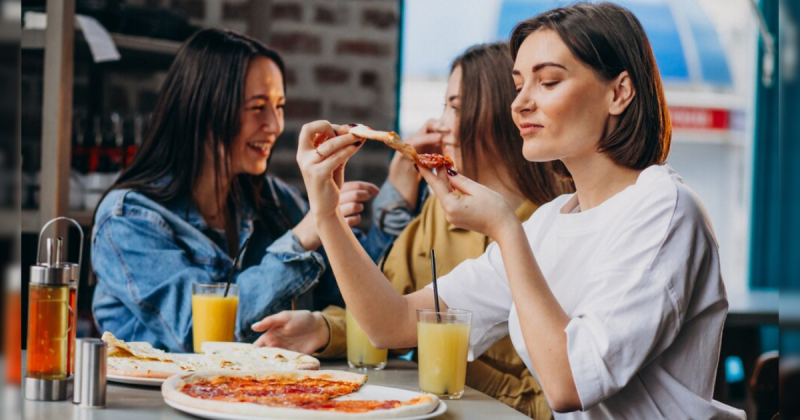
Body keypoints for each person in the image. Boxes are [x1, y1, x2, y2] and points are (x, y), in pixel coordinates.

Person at [292, 3, 746, 419]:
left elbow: (568, 383)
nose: (520, 102)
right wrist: (328, 214)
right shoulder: (551, 221)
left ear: (619, 93)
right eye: (518, 84)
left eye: (548, 82)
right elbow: (389, 325)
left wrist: (504, 229)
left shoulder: (664, 210)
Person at [251, 43, 569, 419]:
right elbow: (391, 313)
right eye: (443, 106)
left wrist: (436, 357)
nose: (440, 125)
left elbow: (557, 396)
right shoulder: (437, 211)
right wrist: (325, 328)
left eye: (455, 105)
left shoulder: (552, 226)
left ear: (500, 111)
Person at [91, 28, 394, 353]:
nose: (276, 125)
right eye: (257, 107)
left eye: (279, 106)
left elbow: (372, 305)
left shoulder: (274, 199)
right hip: (154, 402)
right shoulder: (126, 220)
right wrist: (308, 230)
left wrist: (396, 200)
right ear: (205, 110)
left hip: (264, 398)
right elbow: (198, 333)